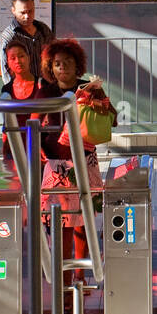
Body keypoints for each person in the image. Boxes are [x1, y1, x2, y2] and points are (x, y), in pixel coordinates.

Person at [38, 38, 115, 293]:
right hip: (56, 163)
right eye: (57, 64)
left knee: (84, 223)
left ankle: (80, 278)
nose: (62, 68)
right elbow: (33, 122)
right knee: (60, 224)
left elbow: (112, 118)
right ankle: (62, 280)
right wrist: (35, 148)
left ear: (77, 65)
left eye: (67, 63)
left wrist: (96, 102)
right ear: (51, 66)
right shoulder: (46, 90)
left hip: (84, 161)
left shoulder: (89, 88)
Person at [0, 0, 53, 88]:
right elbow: (6, 71)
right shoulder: (9, 37)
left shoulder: (43, 29)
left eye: (30, 11)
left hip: (46, 89)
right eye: (22, 13)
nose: (27, 16)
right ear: (13, 11)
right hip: (23, 92)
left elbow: (55, 55)